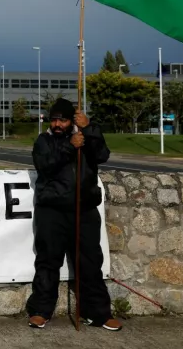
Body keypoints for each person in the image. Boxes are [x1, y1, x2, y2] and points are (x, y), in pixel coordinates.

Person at [26, 98, 121, 331]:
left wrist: (89, 129)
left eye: (63, 120)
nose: (57, 124)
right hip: (52, 210)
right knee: (48, 261)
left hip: (84, 209)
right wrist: (70, 146)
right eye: (54, 120)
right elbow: (45, 166)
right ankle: (41, 311)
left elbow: (102, 155)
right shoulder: (44, 140)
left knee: (90, 262)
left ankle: (98, 313)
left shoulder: (85, 137)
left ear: (72, 121)